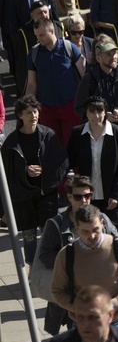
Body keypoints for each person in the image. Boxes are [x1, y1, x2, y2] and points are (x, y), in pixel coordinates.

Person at [37, 175, 118, 335]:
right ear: (69, 197)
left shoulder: (102, 220)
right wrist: (72, 261)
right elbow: (45, 255)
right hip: (74, 299)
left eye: (87, 196)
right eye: (78, 196)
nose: (84, 200)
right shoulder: (57, 225)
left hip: (104, 295)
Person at [51, 205, 118, 330]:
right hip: (83, 325)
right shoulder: (66, 255)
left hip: (117, 321)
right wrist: (79, 308)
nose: (92, 236)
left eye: (96, 230)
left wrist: (113, 304)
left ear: (102, 223)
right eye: (85, 232)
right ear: (76, 228)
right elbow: (57, 291)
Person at [1, 95, 68, 266]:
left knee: (49, 232)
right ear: (20, 116)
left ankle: (50, 266)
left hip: (46, 194)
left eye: (35, 111)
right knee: (29, 236)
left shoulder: (48, 135)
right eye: (28, 112)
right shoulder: (11, 143)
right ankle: (32, 267)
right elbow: (5, 174)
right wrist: (25, 170)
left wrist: (44, 170)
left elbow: (61, 163)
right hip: (23, 197)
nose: (33, 116)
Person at [67, 96, 118, 237]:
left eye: (99, 111)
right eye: (91, 112)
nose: (96, 116)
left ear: (105, 112)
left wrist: (116, 194)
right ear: (86, 113)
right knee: (91, 237)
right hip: (89, 198)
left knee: (115, 241)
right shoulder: (77, 133)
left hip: (112, 199)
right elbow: (69, 161)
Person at [26, 17, 84, 146]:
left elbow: (84, 77)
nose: (38, 38)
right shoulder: (34, 54)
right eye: (36, 35)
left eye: (41, 35)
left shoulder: (70, 48)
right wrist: (28, 104)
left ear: (52, 31)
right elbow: (31, 83)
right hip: (46, 108)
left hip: (70, 106)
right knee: (52, 145)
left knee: (72, 144)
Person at [74, 40, 118, 135]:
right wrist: (103, 116)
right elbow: (79, 108)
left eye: (115, 53)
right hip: (96, 130)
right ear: (98, 58)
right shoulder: (89, 79)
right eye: (108, 55)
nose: (114, 57)